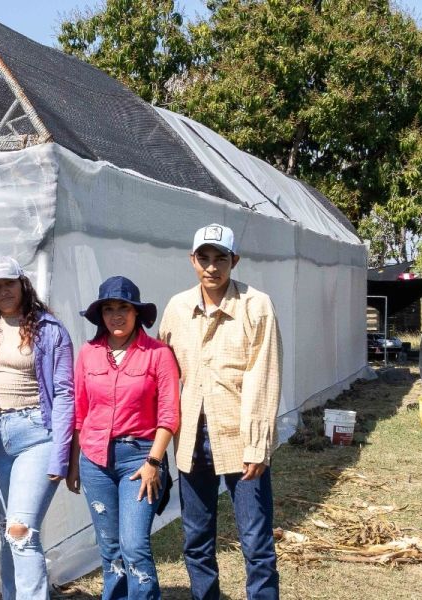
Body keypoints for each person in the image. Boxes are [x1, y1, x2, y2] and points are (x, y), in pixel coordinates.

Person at [158, 224, 282, 600]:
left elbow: (265, 375)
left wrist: (257, 445)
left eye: (221, 259)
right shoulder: (178, 308)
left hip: (239, 438)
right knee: (196, 538)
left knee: (255, 540)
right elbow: (163, 373)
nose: (212, 267)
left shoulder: (255, 305)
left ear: (235, 261)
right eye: (204, 258)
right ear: (192, 260)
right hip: (191, 441)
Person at [0, 256, 74, 600]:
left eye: (8, 284)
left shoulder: (50, 330)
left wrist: (62, 453)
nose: (3, 292)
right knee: (6, 531)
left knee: (21, 530)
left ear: (22, 284)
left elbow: (65, 394)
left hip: (35, 434)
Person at [69, 276, 180, 600]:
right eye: (108, 309)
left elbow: (169, 415)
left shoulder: (158, 354)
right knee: (110, 547)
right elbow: (80, 413)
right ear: (100, 315)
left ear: (136, 312)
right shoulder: (89, 354)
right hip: (95, 460)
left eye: (123, 308)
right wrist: (74, 465)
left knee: (134, 544)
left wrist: (153, 462)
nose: (116, 316)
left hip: (140, 459)